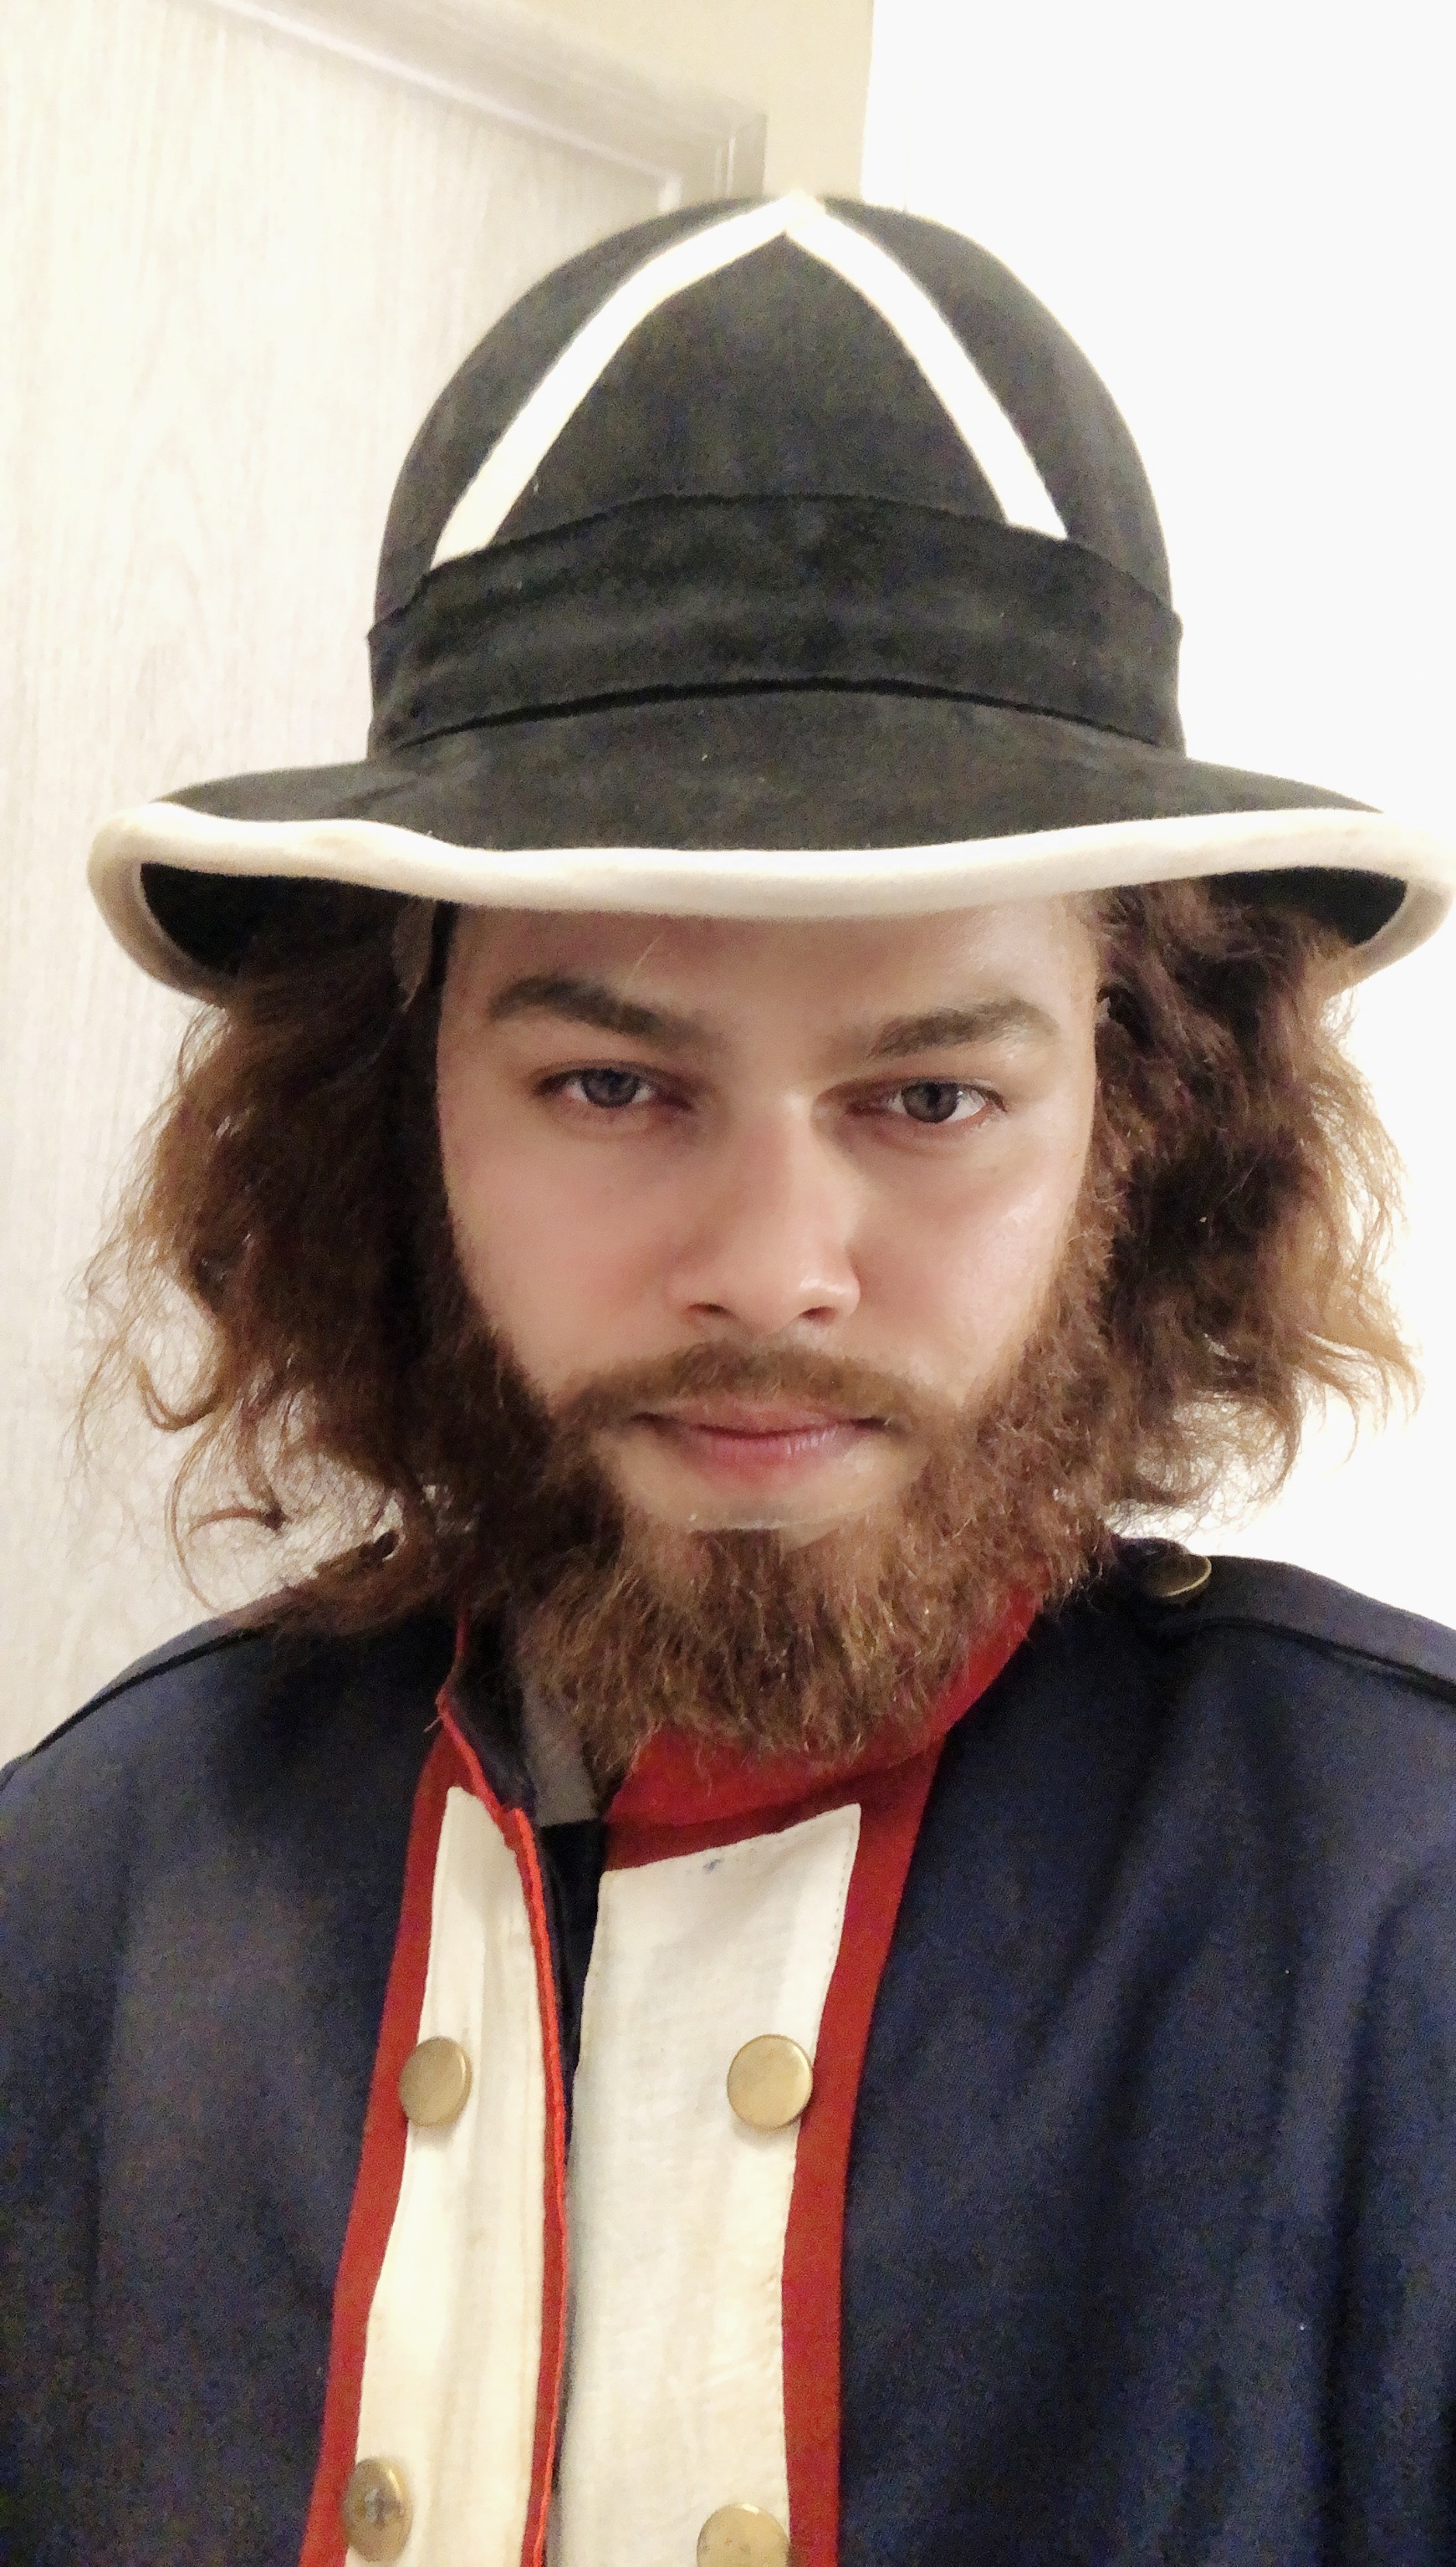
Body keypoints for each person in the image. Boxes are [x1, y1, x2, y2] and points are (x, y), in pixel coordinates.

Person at [4, 192, 1456, 2567]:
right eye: (612, 1087)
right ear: (392, 1116)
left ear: (1150, 1110)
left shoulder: (1410, 1913)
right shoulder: (85, 1896)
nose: (775, 1270)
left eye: (931, 1095)